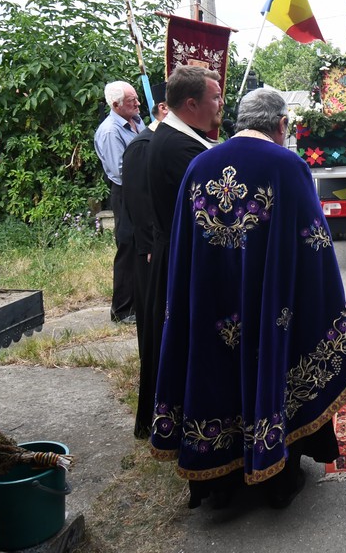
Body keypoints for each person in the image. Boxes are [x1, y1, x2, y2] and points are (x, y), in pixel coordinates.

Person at [150, 87, 346, 508]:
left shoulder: (199, 167)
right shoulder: (287, 166)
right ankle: (274, 474)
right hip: (269, 307)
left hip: (210, 304)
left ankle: (217, 484)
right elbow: (314, 245)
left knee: (214, 372)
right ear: (281, 125)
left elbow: (183, 250)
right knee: (271, 366)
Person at [140, 66, 221, 443]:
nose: (220, 105)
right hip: (185, 260)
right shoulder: (180, 147)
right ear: (191, 103)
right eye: (215, 98)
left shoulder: (177, 135)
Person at [121, 85, 166, 438]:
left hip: (161, 246)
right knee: (153, 329)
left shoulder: (163, 143)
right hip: (150, 251)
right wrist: (152, 245)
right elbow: (139, 202)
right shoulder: (142, 147)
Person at [94, 81, 142, 323]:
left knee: (141, 245)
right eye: (132, 101)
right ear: (115, 105)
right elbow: (121, 170)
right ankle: (122, 309)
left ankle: (139, 302)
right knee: (127, 246)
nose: (138, 103)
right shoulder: (110, 131)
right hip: (126, 192)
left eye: (136, 98)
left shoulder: (137, 120)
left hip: (141, 190)